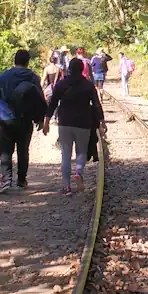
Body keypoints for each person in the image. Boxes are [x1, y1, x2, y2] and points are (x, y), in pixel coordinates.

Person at [43, 57, 106, 195]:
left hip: (65, 122)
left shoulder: (61, 84)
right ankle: (78, 172)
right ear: (82, 69)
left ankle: (66, 187)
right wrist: (102, 122)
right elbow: (96, 105)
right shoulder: (88, 85)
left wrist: (46, 122)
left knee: (65, 154)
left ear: (69, 69)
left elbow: (52, 104)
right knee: (81, 151)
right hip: (83, 123)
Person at [0, 49, 44, 193]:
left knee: (5, 150)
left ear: (15, 60)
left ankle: (6, 179)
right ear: (27, 62)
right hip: (25, 120)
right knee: (23, 150)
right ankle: (21, 180)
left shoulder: (4, 76)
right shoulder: (33, 77)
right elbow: (38, 99)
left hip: (5, 119)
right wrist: (40, 119)